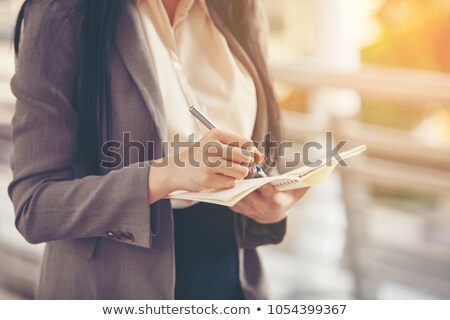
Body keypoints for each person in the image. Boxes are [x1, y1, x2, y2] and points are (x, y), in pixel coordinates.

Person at [8, 0, 308, 299]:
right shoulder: (62, 10)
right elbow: (34, 206)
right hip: (111, 288)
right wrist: (165, 175)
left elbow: (260, 150)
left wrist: (271, 203)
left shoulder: (239, 6)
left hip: (229, 276)